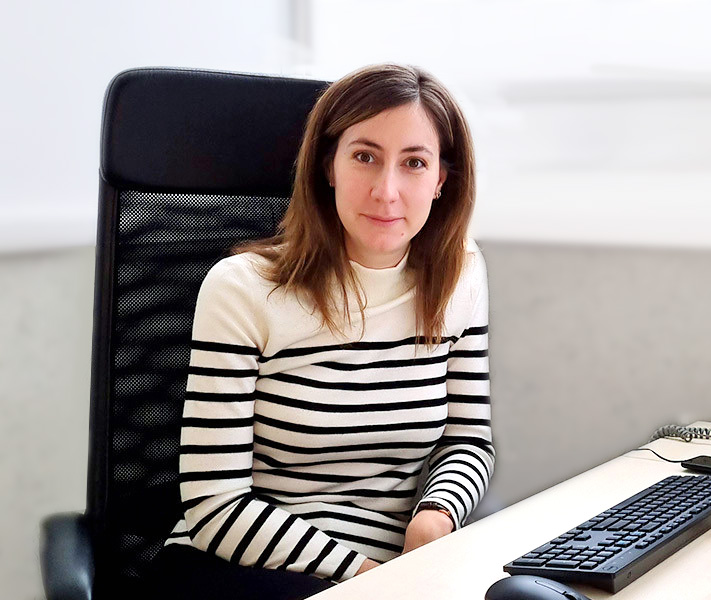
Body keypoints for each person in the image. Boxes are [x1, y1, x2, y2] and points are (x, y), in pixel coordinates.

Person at [144, 63, 494, 600]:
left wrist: (436, 516)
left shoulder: (460, 275)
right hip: (239, 561)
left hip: (396, 567)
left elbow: (467, 439)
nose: (386, 190)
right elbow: (215, 505)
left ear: (442, 179)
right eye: (364, 156)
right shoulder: (242, 289)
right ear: (329, 165)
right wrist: (366, 576)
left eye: (415, 163)